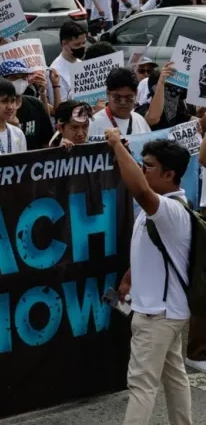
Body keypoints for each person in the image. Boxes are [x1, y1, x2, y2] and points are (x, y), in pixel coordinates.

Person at [105, 129, 193, 425]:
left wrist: (116, 145)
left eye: (148, 166)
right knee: (174, 376)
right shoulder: (160, 206)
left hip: (157, 314)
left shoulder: (166, 208)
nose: (142, 171)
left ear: (169, 174)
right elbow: (151, 249)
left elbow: (139, 189)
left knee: (141, 385)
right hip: (167, 311)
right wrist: (130, 277)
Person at [0, 60, 54, 150]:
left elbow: (46, 141)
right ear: (2, 80)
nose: (20, 81)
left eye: (23, 77)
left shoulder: (36, 104)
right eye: (15, 77)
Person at [88, 67, 151, 138]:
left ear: (136, 93)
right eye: (117, 98)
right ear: (108, 93)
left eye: (128, 97)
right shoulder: (93, 124)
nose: (123, 102)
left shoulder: (140, 121)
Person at [48, 21, 86, 104]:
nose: (82, 47)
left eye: (84, 43)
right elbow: (60, 107)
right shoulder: (56, 72)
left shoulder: (80, 63)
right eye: (77, 44)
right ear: (64, 44)